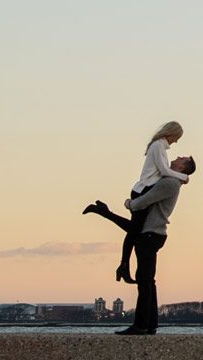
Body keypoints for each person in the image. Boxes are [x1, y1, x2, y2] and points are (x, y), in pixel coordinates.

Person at [84, 156, 195, 335]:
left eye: (180, 158)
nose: (175, 158)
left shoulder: (170, 183)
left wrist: (129, 203)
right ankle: (150, 324)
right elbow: (135, 227)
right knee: (147, 280)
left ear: (183, 166)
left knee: (144, 280)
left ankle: (142, 324)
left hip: (152, 234)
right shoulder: (171, 181)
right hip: (150, 232)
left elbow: (142, 201)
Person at [82, 122, 192, 283]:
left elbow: (163, 172)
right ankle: (123, 266)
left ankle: (122, 264)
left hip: (144, 189)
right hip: (143, 190)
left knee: (134, 230)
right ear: (171, 134)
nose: (176, 142)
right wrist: (184, 177)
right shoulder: (158, 147)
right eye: (177, 138)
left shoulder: (159, 147)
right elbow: (164, 171)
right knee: (135, 231)